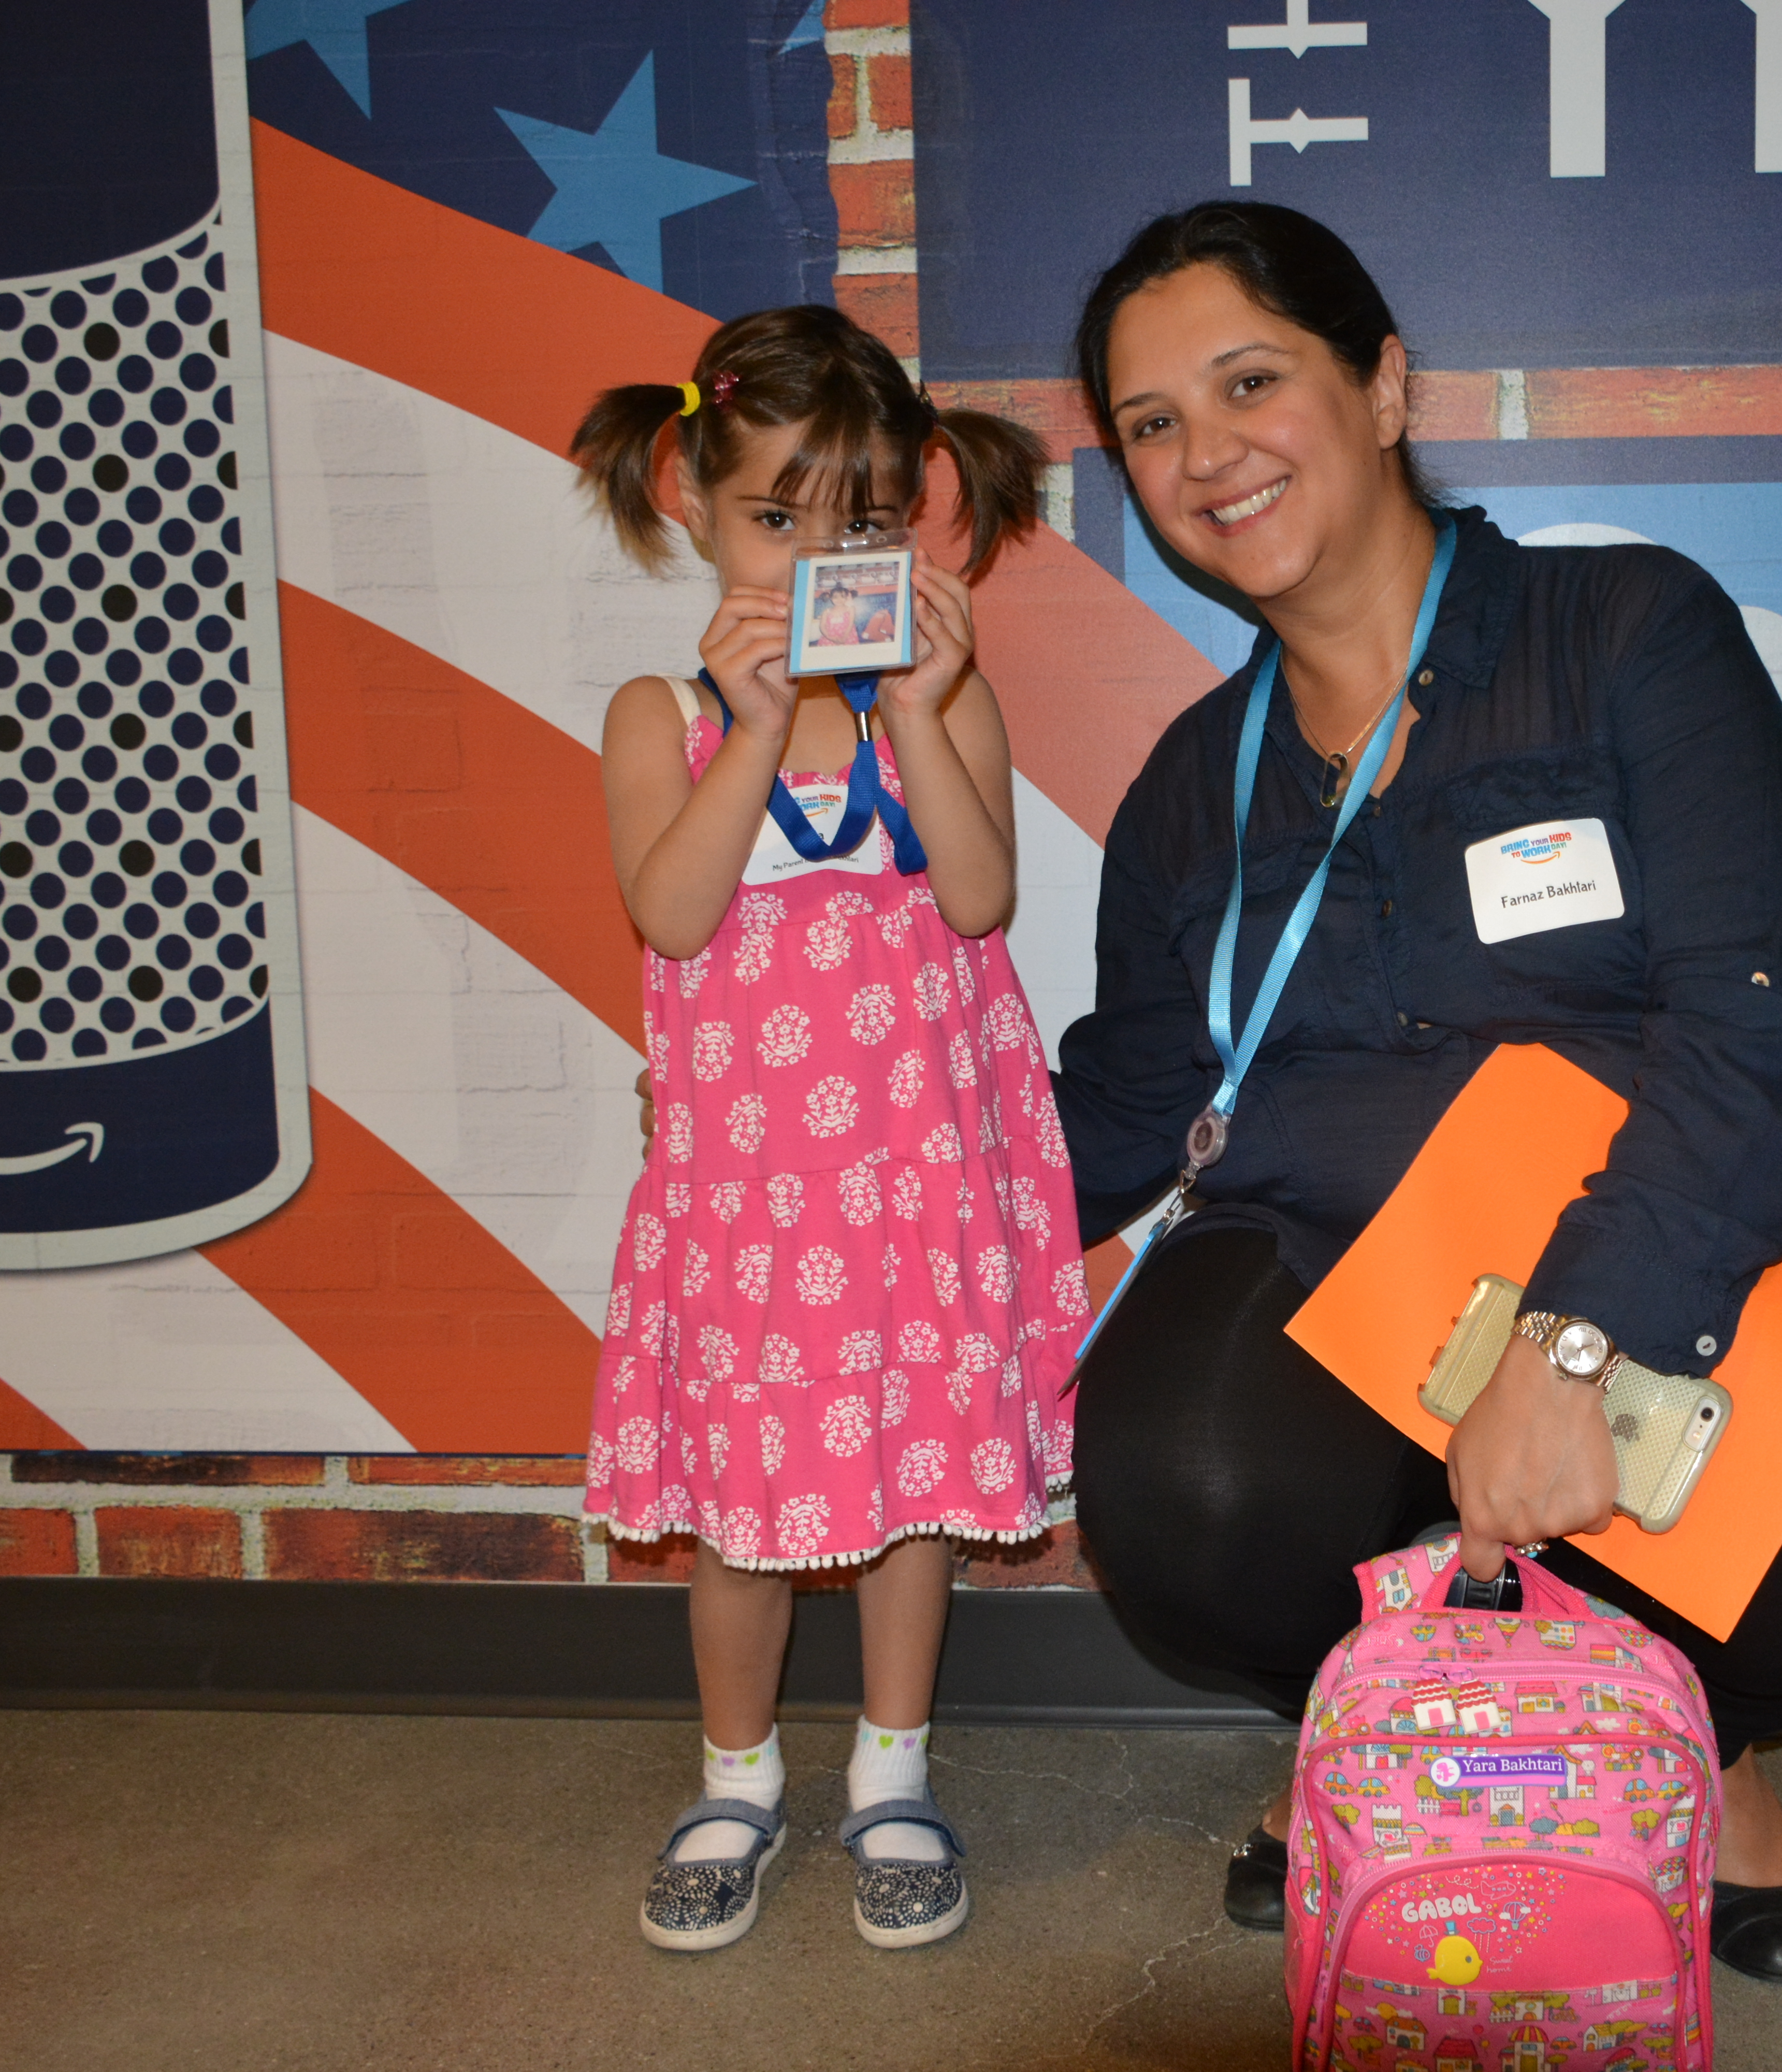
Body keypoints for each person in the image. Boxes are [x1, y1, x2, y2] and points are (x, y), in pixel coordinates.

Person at [1054, 205, 1782, 1984]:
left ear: (1387, 382)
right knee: (1176, 1484)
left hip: (1653, 1243)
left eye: (1250, 382)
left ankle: (1687, 1744)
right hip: (1325, 1269)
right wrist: (831, 1171)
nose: (1207, 454)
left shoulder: (1628, 627)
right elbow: (1130, 1097)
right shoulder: (1194, 785)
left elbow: (1759, 1022)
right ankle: (1367, 1715)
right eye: (1154, 424)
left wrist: (1577, 1346)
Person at [570, 306, 1086, 1955]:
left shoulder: (936, 708)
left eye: (855, 520)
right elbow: (669, 912)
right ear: (696, 507)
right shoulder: (660, 714)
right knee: (740, 1509)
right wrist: (746, 717)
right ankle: (736, 1780)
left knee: (907, 1500)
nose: (811, 553)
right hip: (747, 1208)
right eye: (773, 517)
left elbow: (985, 892)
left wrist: (920, 707)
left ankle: (890, 1770)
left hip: (910, 1197)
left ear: (909, 522)